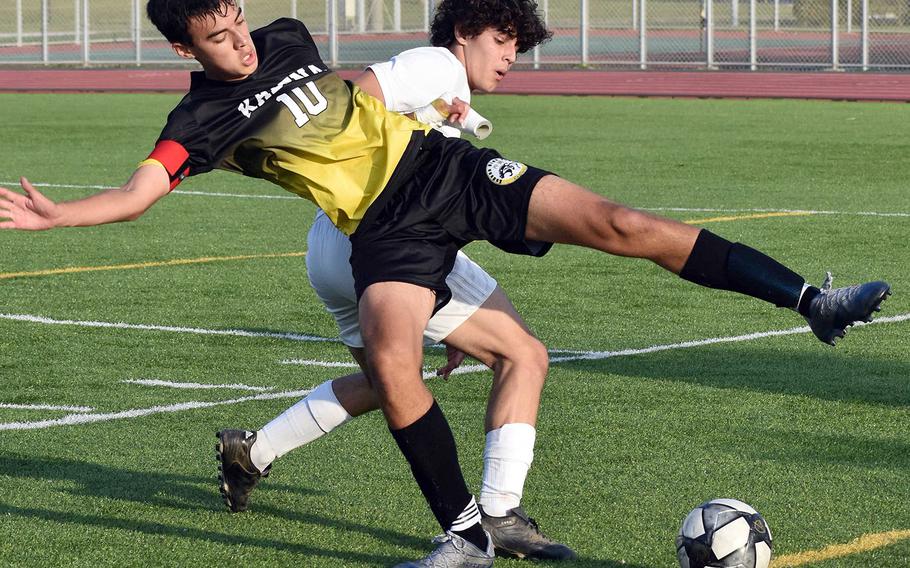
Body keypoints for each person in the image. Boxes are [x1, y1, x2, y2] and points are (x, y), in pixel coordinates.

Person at [0, 1, 890, 566]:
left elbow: (348, 91)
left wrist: (442, 109)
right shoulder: (197, 119)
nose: (235, 40)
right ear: (179, 45)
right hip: (382, 232)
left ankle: (812, 302)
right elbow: (138, 191)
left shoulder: (286, 36)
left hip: (447, 172)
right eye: (213, 37)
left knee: (622, 225)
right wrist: (62, 214)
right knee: (395, 373)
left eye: (235, 21)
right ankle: (467, 537)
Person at [214, 0, 576, 561]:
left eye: (516, 47)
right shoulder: (438, 66)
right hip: (383, 244)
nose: (510, 56)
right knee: (522, 357)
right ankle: (497, 514)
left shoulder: (444, 86)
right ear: (463, 32)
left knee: (395, 386)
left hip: (334, 246)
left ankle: (254, 452)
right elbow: (352, 105)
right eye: (502, 39)